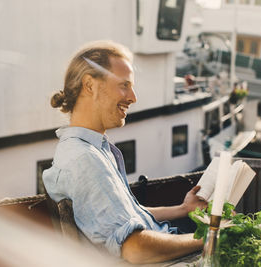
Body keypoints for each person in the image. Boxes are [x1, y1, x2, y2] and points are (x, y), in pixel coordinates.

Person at [43, 40, 207, 264]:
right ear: (90, 85)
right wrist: (210, 238)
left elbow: (127, 216)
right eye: (124, 85)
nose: (133, 97)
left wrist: (183, 209)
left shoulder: (91, 150)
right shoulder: (85, 160)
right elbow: (134, 248)